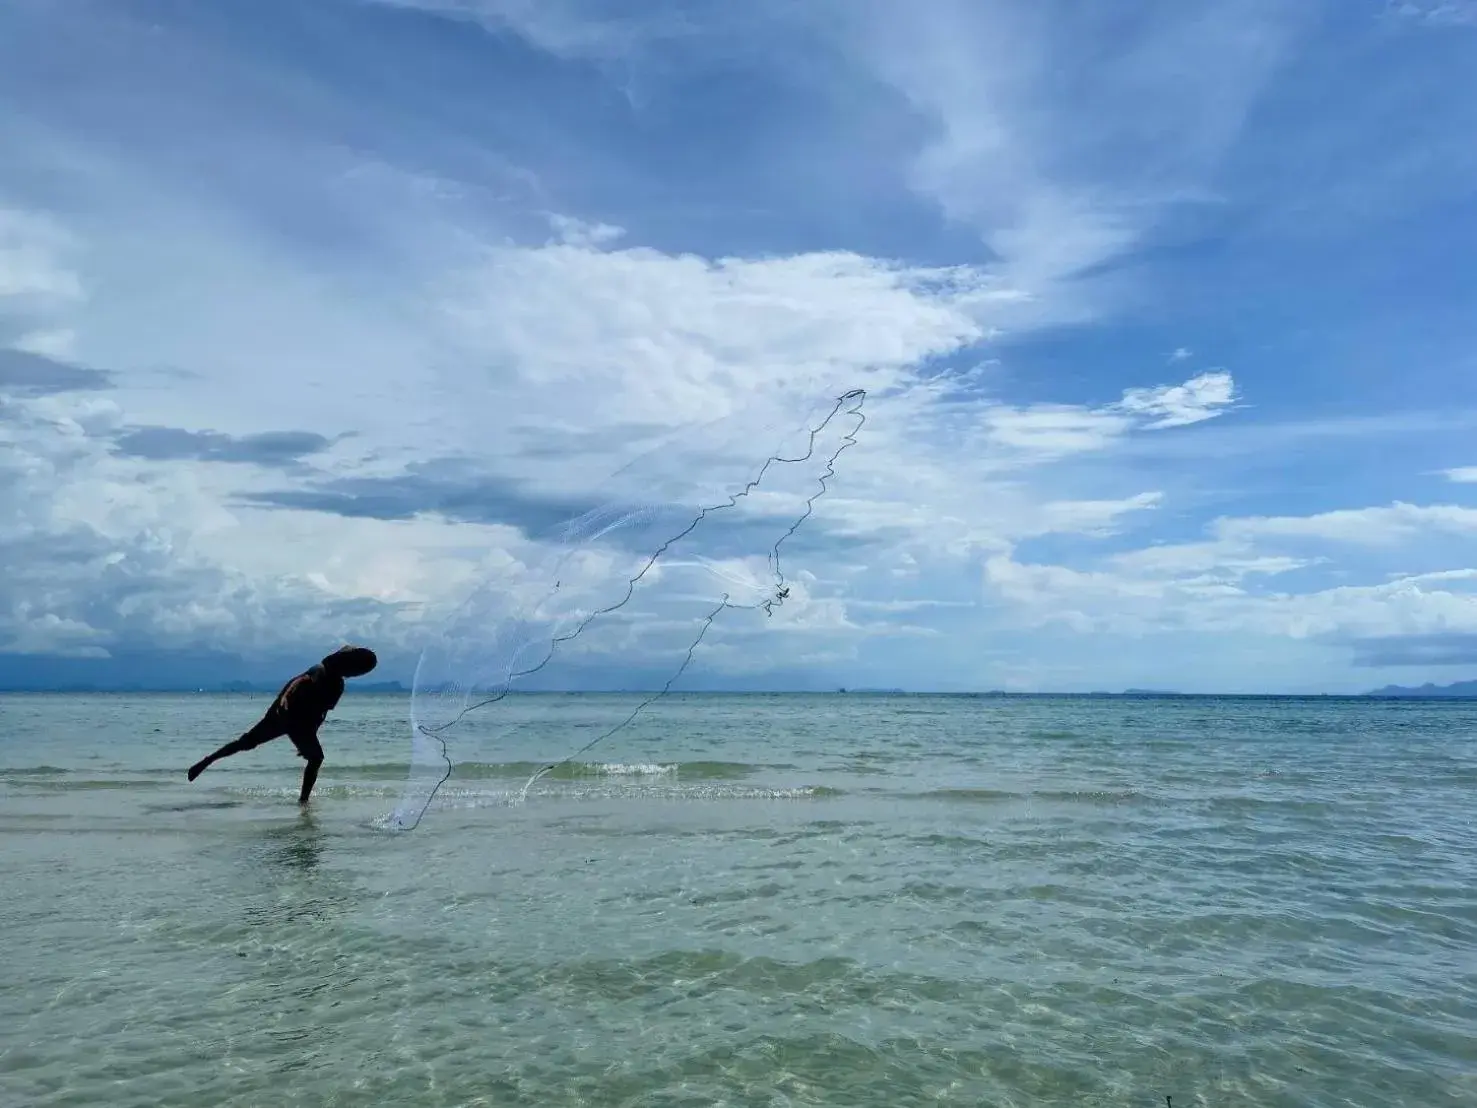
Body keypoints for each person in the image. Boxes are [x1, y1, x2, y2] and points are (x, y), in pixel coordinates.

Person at [187, 645, 378, 806]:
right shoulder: (320, 670)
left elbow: (321, 713)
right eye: (355, 669)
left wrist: (309, 736)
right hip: (286, 713)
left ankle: (207, 761)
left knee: (248, 742)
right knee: (311, 757)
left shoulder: (337, 685)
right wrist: (285, 701)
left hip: (298, 722)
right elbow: (297, 683)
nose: (355, 673)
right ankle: (303, 801)